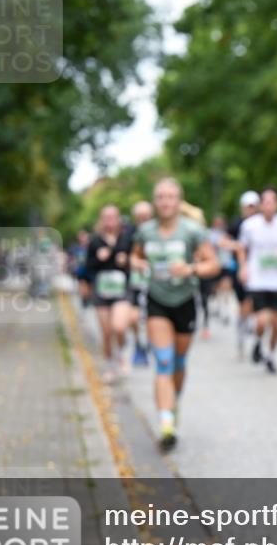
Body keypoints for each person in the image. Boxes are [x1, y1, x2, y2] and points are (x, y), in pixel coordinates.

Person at [130, 178, 219, 449]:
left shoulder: (192, 231)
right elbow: (134, 257)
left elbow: (213, 264)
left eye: (170, 197)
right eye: (160, 197)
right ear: (155, 201)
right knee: (164, 363)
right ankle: (166, 423)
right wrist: (140, 264)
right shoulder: (145, 231)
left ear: (178, 201)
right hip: (157, 300)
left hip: (185, 302)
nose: (166, 202)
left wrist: (191, 269)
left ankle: (173, 402)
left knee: (179, 363)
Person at [237, 187, 277, 374]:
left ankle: (270, 355)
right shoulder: (249, 225)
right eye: (266, 202)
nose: (269, 206)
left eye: (273, 202)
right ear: (261, 205)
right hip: (258, 280)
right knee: (262, 321)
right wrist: (243, 267)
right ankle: (257, 341)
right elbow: (242, 248)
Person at [85, 205, 134, 382]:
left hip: (122, 288)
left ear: (119, 218)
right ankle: (110, 366)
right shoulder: (95, 240)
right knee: (106, 332)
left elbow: (136, 260)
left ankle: (122, 354)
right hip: (102, 290)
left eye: (113, 216)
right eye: (106, 217)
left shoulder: (127, 237)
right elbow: (87, 267)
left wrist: (126, 260)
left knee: (119, 326)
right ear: (101, 219)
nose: (110, 220)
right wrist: (98, 257)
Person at [228, 191, 261, 358]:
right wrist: (237, 246)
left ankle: (255, 335)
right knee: (244, 304)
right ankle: (242, 330)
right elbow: (224, 241)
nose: (250, 210)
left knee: (255, 303)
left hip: (258, 272)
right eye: (248, 207)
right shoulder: (237, 224)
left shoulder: (262, 224)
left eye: (253, 207)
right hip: (239, 269)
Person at [127, 201, 154, 367]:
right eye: (140, 217)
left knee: (153, 318)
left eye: (146, 216)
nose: (143, 219)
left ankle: (153, 342)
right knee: (133, 318)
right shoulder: (129, 234)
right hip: (135, 282)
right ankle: (138, 344)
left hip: (156, 283)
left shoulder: (159, 232)